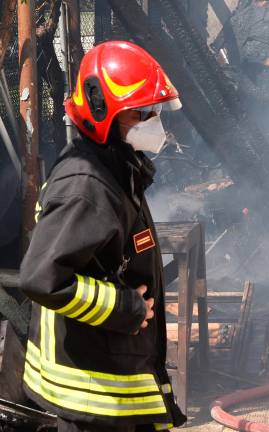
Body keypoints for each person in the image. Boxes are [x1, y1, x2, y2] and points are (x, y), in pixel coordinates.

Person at [20, 41, 186, 432]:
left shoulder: (117, 167)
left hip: (109, 386)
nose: (154, 121)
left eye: (156, 110)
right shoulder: (86, 186)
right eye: (142, 113)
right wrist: (124, 308)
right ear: (102, 114)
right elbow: (41, 278)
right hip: (92, 398)